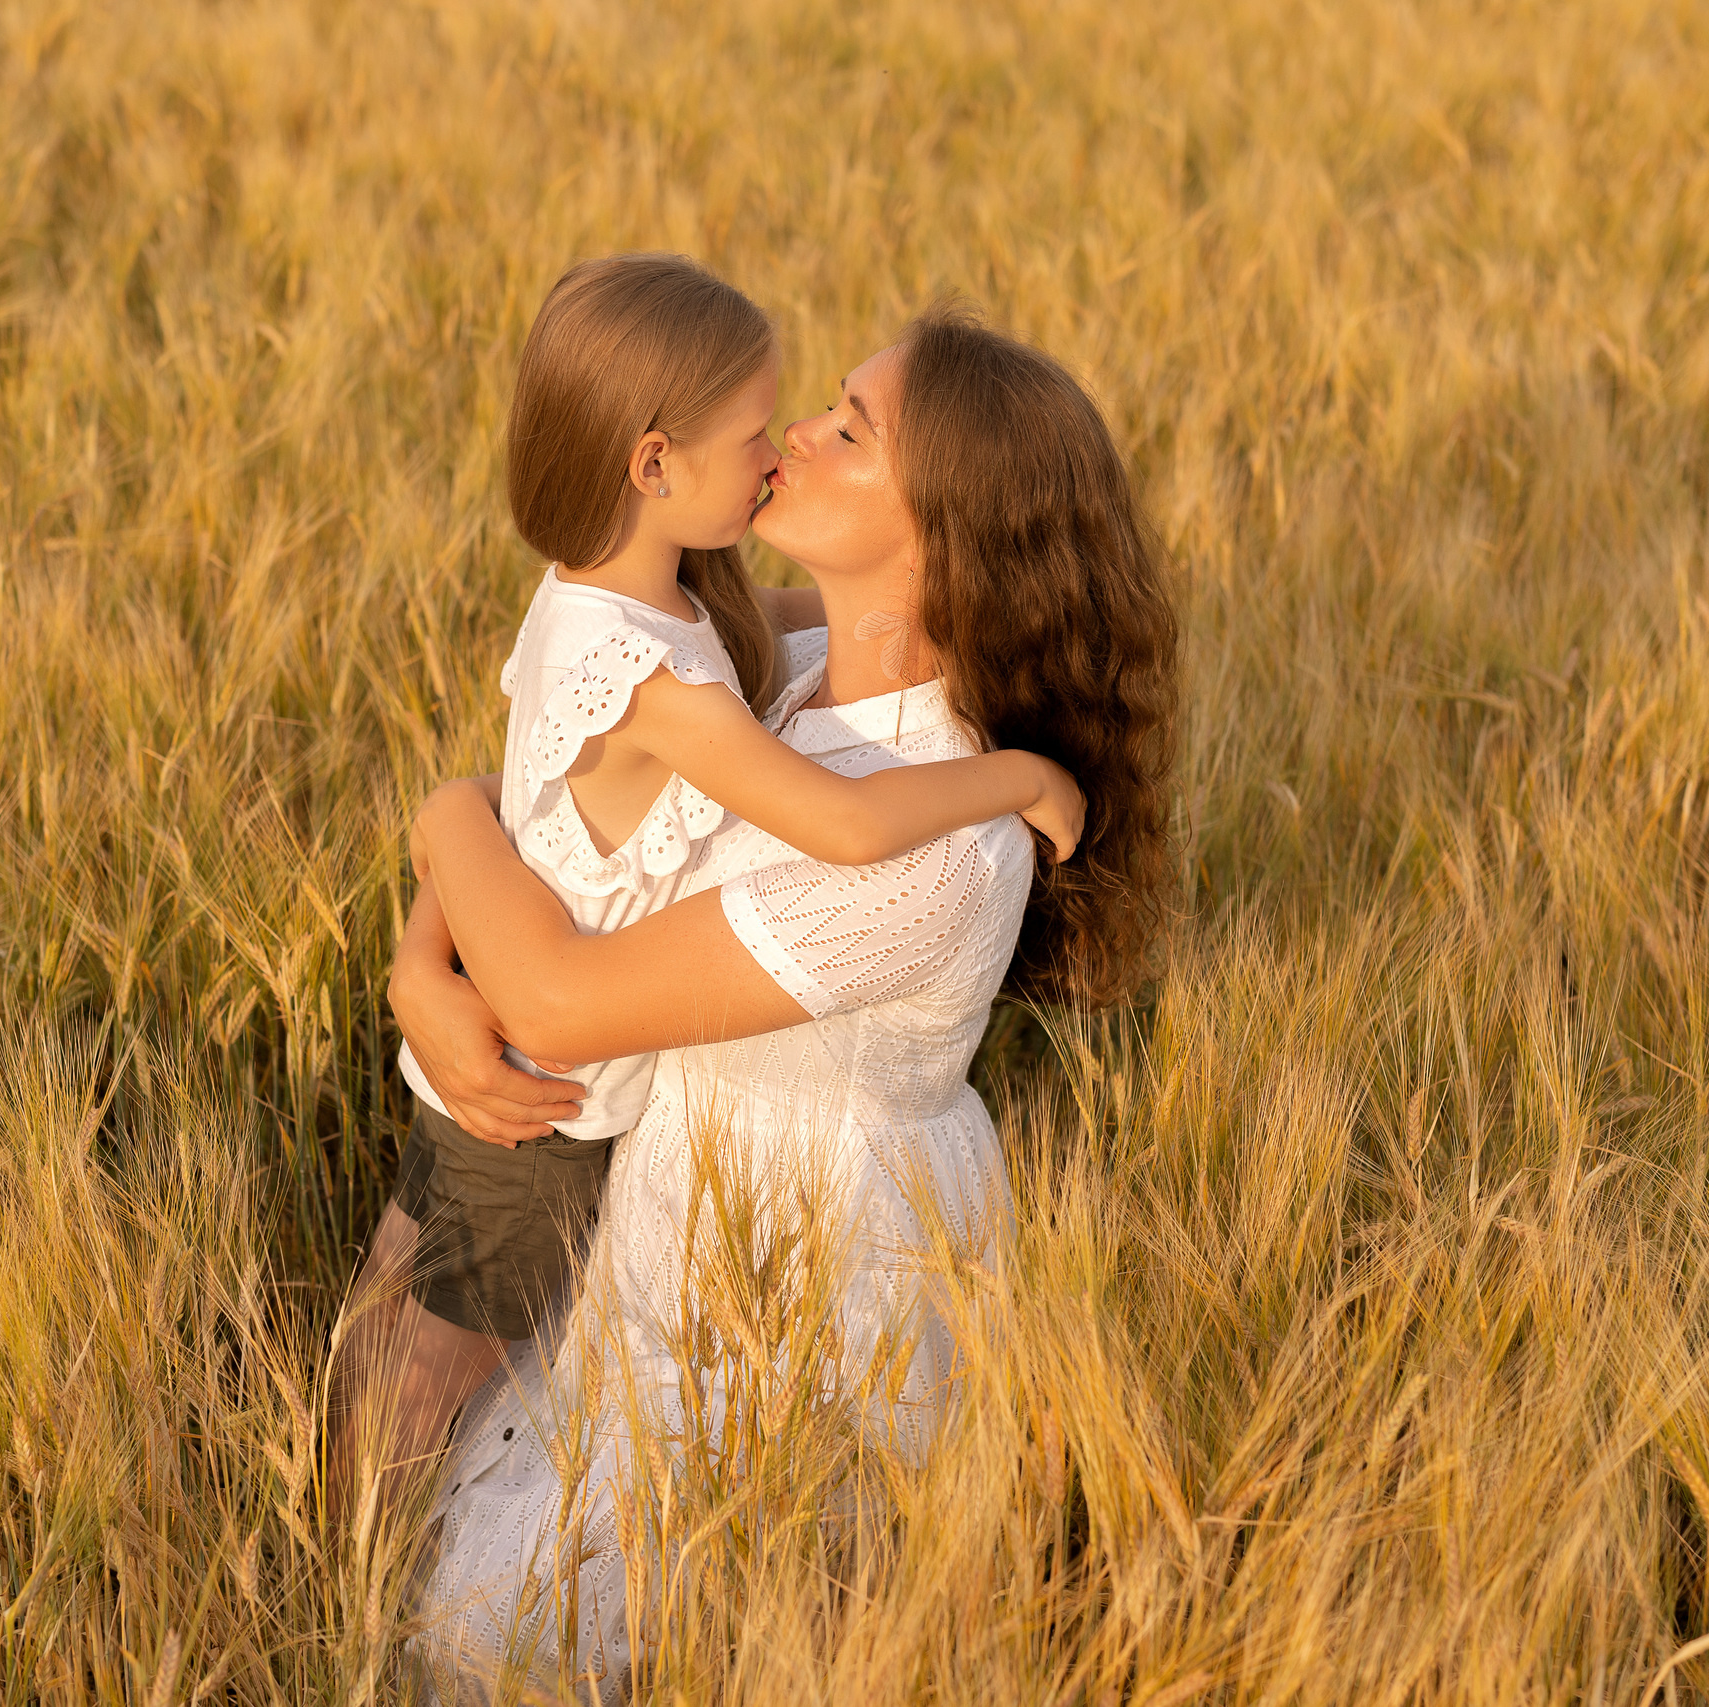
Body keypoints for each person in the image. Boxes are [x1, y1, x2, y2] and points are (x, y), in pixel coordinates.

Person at [389, 304, 1180, 1699]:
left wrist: (442, 825)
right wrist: (423, 940)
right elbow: (547, 786)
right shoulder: (794, 663)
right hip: (670, 1222)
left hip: (797, 1292)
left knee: (612, 1633)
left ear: (945, 539)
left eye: (849, 430)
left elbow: (559, 997)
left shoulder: (940, 851)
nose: (796, 436)